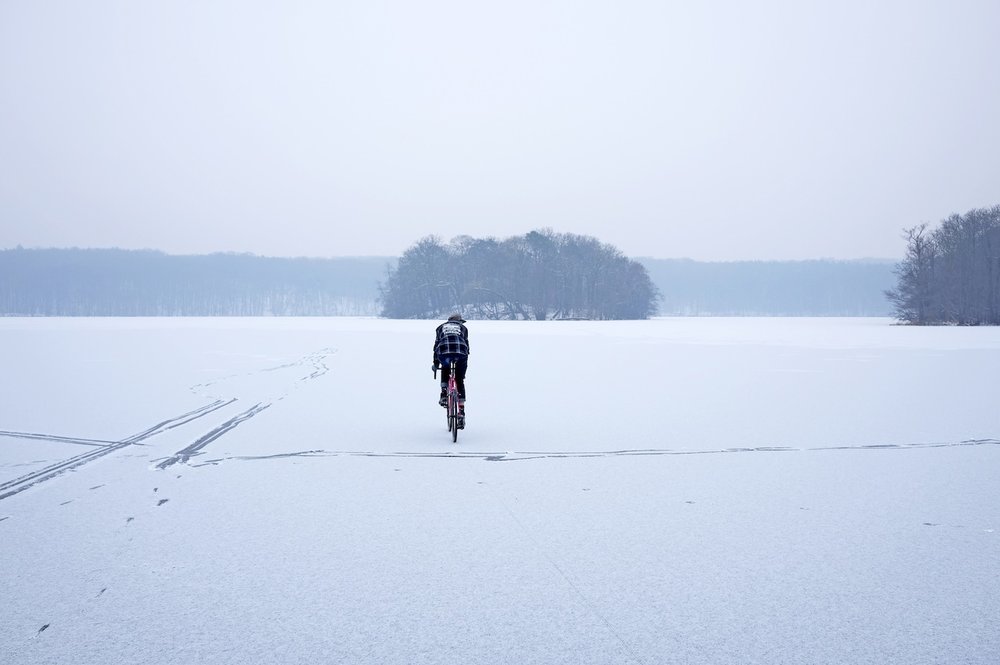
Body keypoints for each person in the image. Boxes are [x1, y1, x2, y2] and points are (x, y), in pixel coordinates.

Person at [432, 313, 470, 423]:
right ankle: (461, 412)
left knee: (445, 366)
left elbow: (436, 347)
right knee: (459, 379)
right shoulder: (463, 328)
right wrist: (462, 372)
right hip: (461, 352)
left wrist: (435, 364)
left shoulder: (440, 328)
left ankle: (444, 394)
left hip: (444, 352)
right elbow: (467, 346)